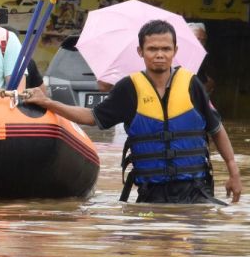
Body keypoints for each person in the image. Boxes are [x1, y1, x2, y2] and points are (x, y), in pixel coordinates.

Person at [24, 19, 241, 204]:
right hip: (151, 193)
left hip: (196, 191)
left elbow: (216, 129)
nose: (159, 55)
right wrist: (49, 103)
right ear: (140, 51)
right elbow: (92, 117)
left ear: (175, 51)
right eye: (152, 49)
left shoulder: (192, 84)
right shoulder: (128, 88)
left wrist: (233, 171)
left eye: (165, 49)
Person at [187, 21, 216, 97]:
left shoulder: (202, 60)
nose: (200, 43)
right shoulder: (175, 59)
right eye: (197, 39)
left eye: (203, 40)